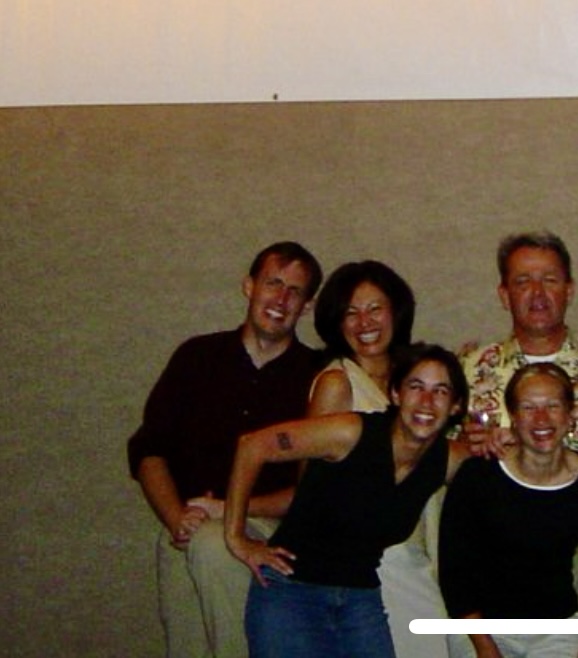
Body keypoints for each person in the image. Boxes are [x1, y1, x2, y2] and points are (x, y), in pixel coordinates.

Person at [128, 240, 324, 658]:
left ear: (306, 306)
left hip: (268, 533)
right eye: (273, 283)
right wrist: (177, 518)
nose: (281, 298)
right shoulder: (196, 357)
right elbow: (150, 450)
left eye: (295, 291)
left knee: (216, 545)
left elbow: (315, 490)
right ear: (249, 286)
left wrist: (233, 511)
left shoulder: (319, 378)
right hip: (185, 529)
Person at [224, 343, 469, 658]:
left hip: (360, 599)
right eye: (415, 387)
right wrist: (236, 538)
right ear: (396, 394)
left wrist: (500, 439)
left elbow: (511, 467)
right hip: (291, 591)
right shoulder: (351, 433)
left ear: (456, 406)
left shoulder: (447, 459)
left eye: (440, 391)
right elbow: (253, 445)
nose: (426, 401)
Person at [459, 232, 578, 615]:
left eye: (550, 279)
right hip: (494, 567)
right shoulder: (471, 370)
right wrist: (471, 447)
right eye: (523, 281)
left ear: (570, 290)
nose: (537, 292)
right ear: (504, 294)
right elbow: (436, 460)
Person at [308, 260, 448, 658]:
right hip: (373, 560)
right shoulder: (337, 383)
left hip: (422, 547)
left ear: (396, 312)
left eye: (375, 308)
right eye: (351, 311)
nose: (363, 321)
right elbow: (310, 488)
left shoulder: (413, 380)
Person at [439, 362, 578, 658]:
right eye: (529, 407)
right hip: (481, 628)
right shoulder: (478, 477)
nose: (541, 418)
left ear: (570, 416)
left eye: (553, 406)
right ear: (514, 418)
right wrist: (486, 649)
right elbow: (455, 574)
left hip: (558, 628)